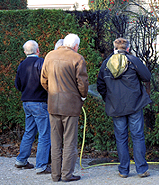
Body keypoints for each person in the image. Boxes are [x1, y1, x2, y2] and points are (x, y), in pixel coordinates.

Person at [97, 38, 151, 178]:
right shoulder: (133, 61)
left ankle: (123, 171)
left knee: (121, 138)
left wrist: (108, 99)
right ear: (127, 48)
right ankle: (141, 169)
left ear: (114, 48)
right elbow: (147, 76)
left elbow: (100, 86)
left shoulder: (106, 64)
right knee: (137, 136)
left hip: (116, 107)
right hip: (134, 105)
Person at [41, 33, 89, 182]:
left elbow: (43, 79)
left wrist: (52, 93)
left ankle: (55, 175)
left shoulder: (50, 55)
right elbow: (82, 83)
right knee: (69, 142)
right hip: (71, 106)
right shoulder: (77, 58)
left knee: (55, 142)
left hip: (53, 104)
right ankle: (67, 174)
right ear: (75, 46)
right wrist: (82, 97)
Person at [14, 40, 51, 175]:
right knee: (44, 135)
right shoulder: (41, 62)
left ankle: (21, 160)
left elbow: (17, 85)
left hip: (26, 102)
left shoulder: (21, 65)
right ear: (38, 50)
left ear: (25, 52)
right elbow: (47, 81)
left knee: (29, 131)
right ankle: (41, 166)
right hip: (40, 102)